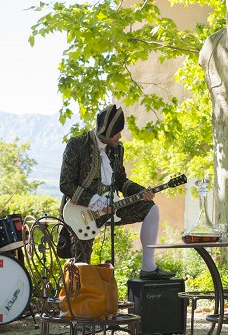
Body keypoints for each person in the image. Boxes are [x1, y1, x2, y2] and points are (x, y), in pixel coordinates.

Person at [60, 104, 174, 279]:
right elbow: (66, 184)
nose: (120, 136)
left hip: (112, 207)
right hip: (80, 211)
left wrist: (141, 191)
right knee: (82, 263)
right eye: (116, 133)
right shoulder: (77, 145)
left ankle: (148, 268)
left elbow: (121, 181)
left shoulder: (117, 149)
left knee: (151, 208)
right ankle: (77, 301)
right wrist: (97, 202)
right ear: (105, 133)